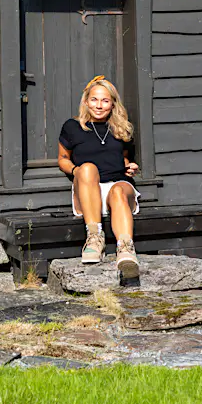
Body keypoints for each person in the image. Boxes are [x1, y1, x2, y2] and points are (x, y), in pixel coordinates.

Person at [57, 75, 141, 278]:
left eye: (105, 100)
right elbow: (62, 159)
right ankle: (95, 238)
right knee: (87, 168)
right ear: (86, 101)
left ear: (112, 104)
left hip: (118, 186)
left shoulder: (121, 128)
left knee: (119, 189)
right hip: (88, 187)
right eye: (94, 99)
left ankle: (126, 250)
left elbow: (123, 159)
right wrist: (76, 171)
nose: (99, 105)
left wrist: (130, 167)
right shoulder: (72, 127)